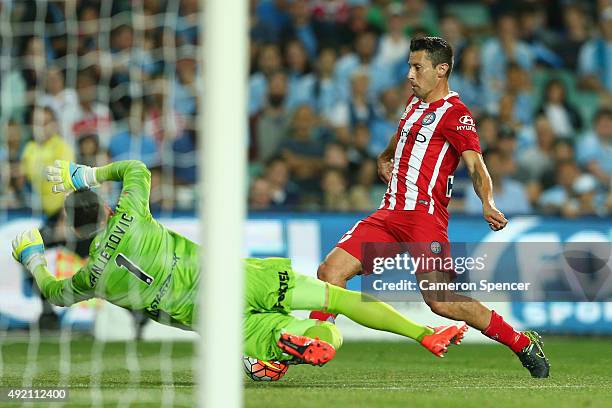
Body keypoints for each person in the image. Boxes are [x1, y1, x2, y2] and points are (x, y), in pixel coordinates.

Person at [11, 159, 467, 365]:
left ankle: (296, 342)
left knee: (300, 336)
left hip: (209, 316)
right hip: (232, 279)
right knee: (334, 302)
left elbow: (54, 293)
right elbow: (138, 171)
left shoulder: (92, 275)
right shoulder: (130, 214)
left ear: (74, 233)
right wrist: (85, 174)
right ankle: (422, 334)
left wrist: (33, 257)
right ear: (107, 210)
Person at [308, 37, 550, 378]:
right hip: (388, 215)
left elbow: (476, 165)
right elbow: (402, 134)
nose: (410, 74)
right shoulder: (414, 103)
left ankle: (521, 342)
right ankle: (314, 343)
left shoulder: (456, 114)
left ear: (441, 70)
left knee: (440, 301)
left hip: (424, 219)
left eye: (417, 67)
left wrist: (487, 202)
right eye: (409, 65)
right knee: (330, 272)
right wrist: (384, 156)